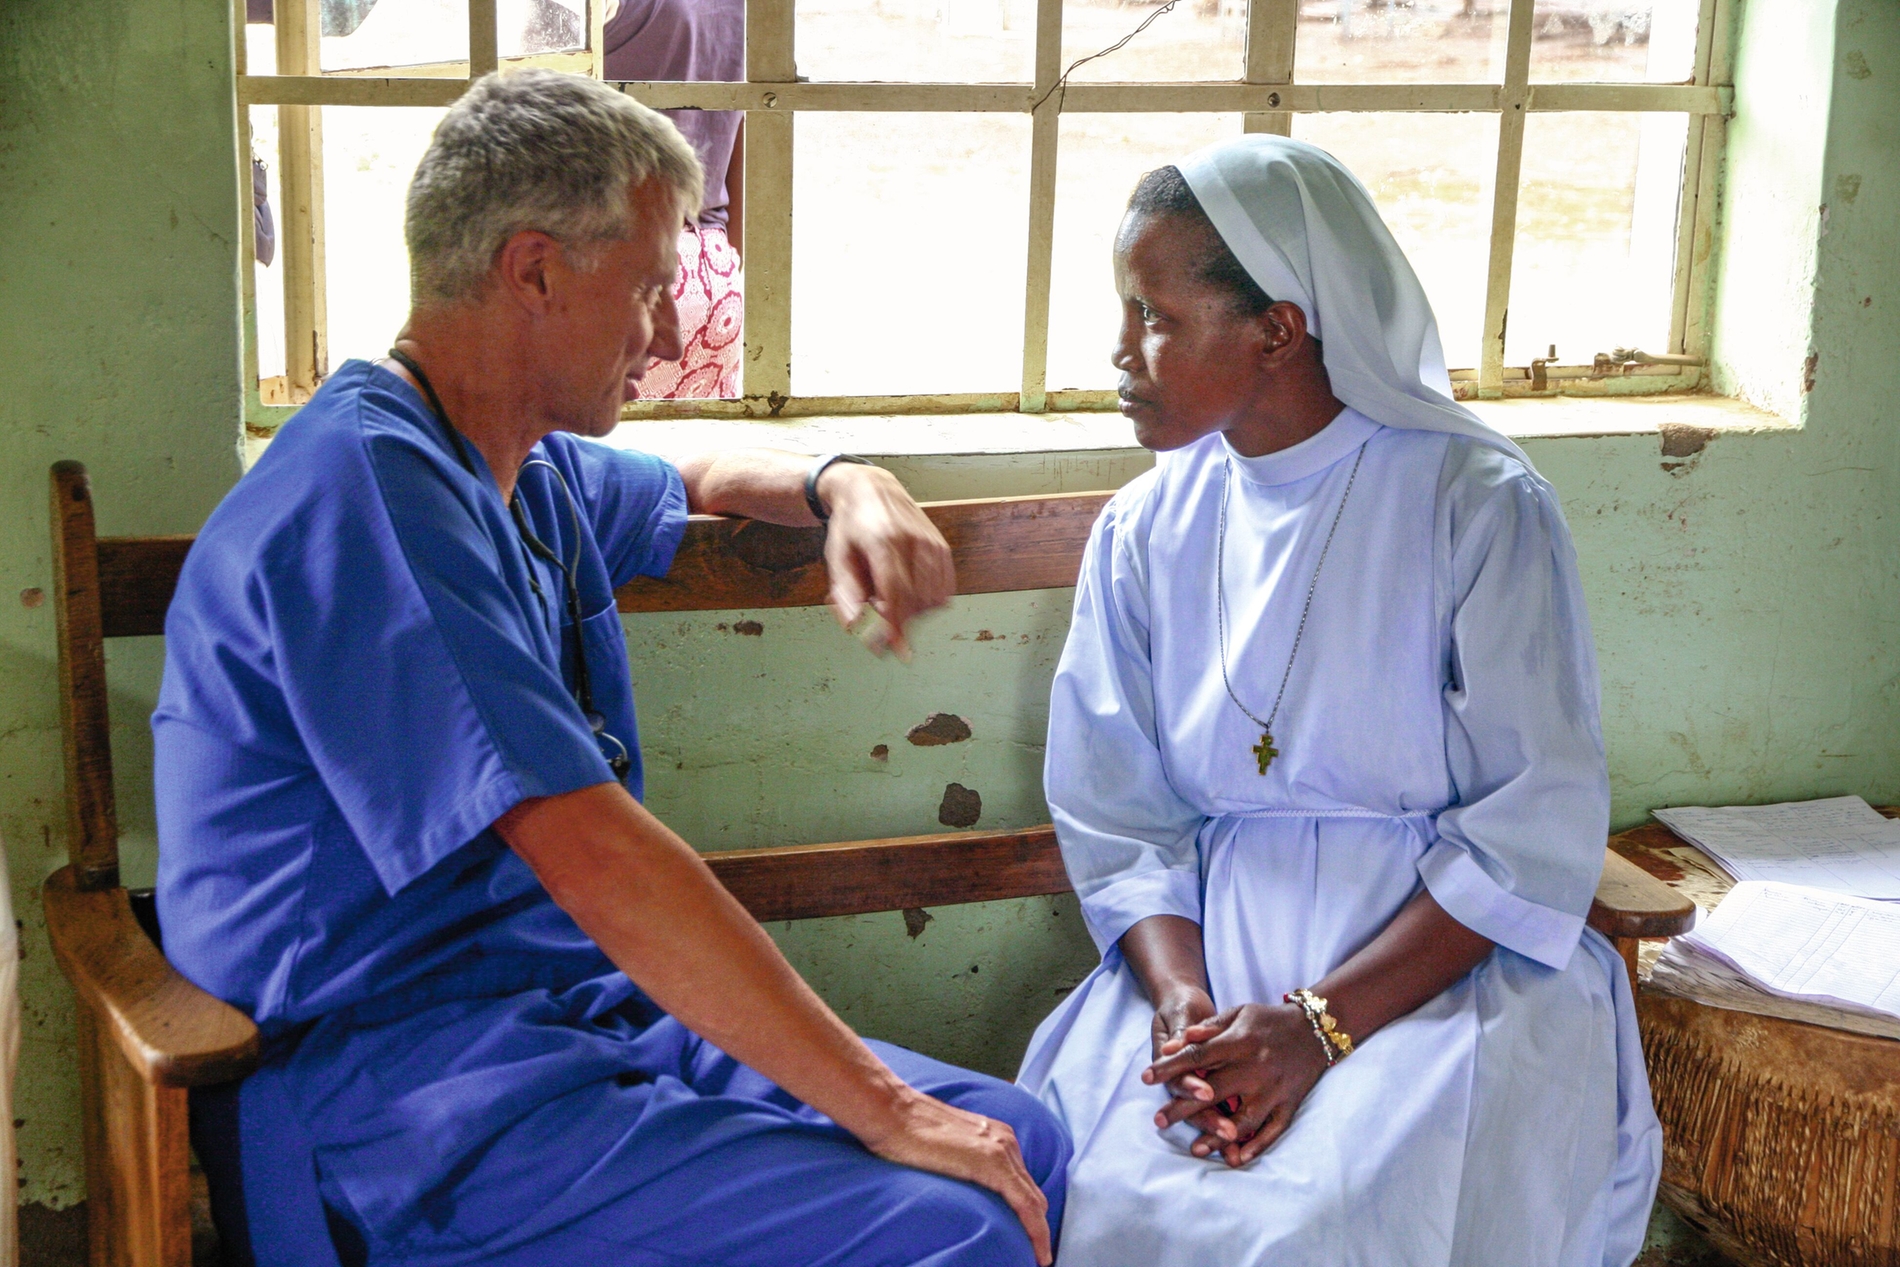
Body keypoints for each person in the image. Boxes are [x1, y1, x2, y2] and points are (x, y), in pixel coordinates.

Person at [157, 69, 1066, 1267]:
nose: (677, 334)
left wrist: (843, 479)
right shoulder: (368, 493)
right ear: (533, 271)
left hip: (573, 1016)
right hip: (405, 1089)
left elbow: (693, 484)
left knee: (1023, 1135)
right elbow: (587, 844)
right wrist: (886, 1108)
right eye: (649, 288)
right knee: (956, 1228)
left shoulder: (512, 461)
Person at [1015, 135, 1661, 1266]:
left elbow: (1533, 824)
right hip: (1209, 950)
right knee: (1090, 1191)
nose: (1120, 351)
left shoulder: (1475, 506)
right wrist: (1183, 1012)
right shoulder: (1146, 527)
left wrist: (1317, 1028)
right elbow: (1118, 814)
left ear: (1276, 328)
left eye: (1153, 316)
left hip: (1437, 964)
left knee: (1322, 1224)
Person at [603, 0, 745, 400]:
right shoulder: (744, 10)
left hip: (613, 274)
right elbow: (741, 149)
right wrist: (725, 264)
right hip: (715, 273)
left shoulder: (580, 14)